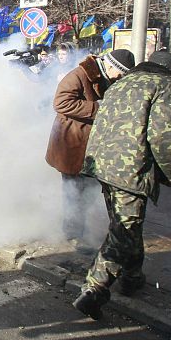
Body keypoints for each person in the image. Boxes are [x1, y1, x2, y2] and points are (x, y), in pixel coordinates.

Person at [74, 51, 171, 320]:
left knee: (126, 224)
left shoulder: (123, 82)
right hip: (131, 169)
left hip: (104, 163)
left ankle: (132, 276)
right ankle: (94, 290)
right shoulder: (169, 86)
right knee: (124, 231)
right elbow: (166, 138)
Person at [45, 49, 135, 249]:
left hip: (90, 144)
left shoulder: (104, 76)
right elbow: (61, 103)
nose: (120, 78)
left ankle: (89, 229)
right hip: (72, 143)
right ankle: (73, 234)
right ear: (110, 65)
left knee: (90, 189)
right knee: (74, 191)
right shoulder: (79, 75)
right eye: (119, 73)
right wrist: (99, 108)